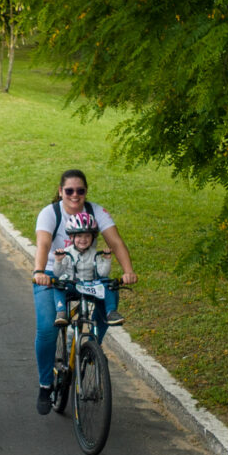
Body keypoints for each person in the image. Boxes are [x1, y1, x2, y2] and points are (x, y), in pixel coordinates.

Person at [30, 169, 136, 411]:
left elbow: (115, 242)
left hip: (87, 275)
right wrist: (39, 271)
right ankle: (45, 385)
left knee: (110, 292)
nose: (75, 195)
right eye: (69, 191)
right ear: (60, 192)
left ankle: (90, 347)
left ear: (86, 192)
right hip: (53, 274)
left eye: (80, 190)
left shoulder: (96, 212)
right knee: (47, 329)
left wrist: (128, 271)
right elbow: (43, 244)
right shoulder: (50, 213)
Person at [35, 210, 118, 316]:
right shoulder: (66, 252)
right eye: (79, 236)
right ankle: (61, 311)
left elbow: (103, 273)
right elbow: (58, 273)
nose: (83, 239)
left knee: (108, 285)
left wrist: (106, 259)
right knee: (58, 286)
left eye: (87, 236)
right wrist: (58, 260)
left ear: (93, 237)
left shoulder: (94, 254)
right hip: (72, 285)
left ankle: (111, 312)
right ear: (71, 237)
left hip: (90, 286)